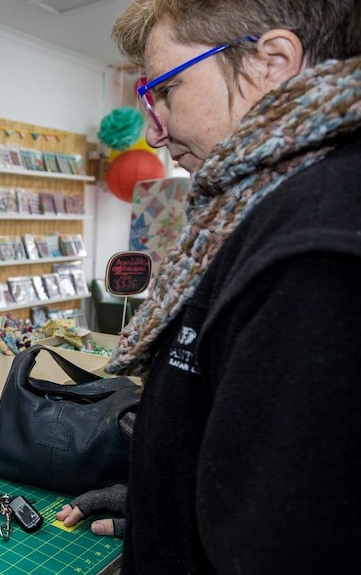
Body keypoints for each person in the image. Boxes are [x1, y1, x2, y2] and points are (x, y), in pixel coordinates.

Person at [57, 0, 361, 572]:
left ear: (271, 62)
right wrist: (165, 503)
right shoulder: (255, 207)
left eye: (165, 91)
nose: (153, 130)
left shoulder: (318, 247)